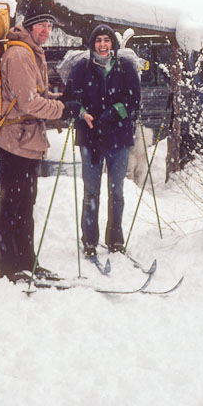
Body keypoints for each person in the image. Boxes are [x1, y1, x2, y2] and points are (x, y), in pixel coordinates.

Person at [0, 0, 81, 281]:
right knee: (12, 204)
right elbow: (29, 102)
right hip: (15, 138)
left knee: (24, 205)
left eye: (50, 26)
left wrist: (61, 99)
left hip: (26, 138)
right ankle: (8, 267)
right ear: (29, 25)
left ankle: (27, 262)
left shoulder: (31, 51)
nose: (46, 31)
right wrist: (63, 109)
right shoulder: (19, 54)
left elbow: (36, 95)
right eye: (42, 25)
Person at [66, 24, 141, 256]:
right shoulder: (82, 68)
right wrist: (81, 112)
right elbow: (69, 98)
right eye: (98, 40)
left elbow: (134, 99)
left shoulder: (125, 67)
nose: (102, 45)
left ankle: (115, 238)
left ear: (113, 44)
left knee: (116, 190)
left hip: (118, 136)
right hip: (90, 136)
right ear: (92, 44)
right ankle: (89, 239)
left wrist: (116, 111)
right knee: (91, 191)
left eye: (106, 40)